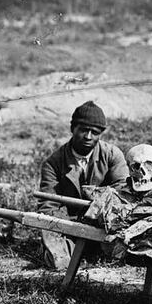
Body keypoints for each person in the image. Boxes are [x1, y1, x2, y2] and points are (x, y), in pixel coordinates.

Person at [37, 101, 129, 269]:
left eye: (95, 132)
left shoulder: (112, 156)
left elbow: (123, 193)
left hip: (104, 226)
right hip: (70, 227)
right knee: (58, 260)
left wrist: (100, 213)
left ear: (101, 134)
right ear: (73, 128)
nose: (88, 136)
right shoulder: (53, 163)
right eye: (83, 130)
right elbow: (48, 206)